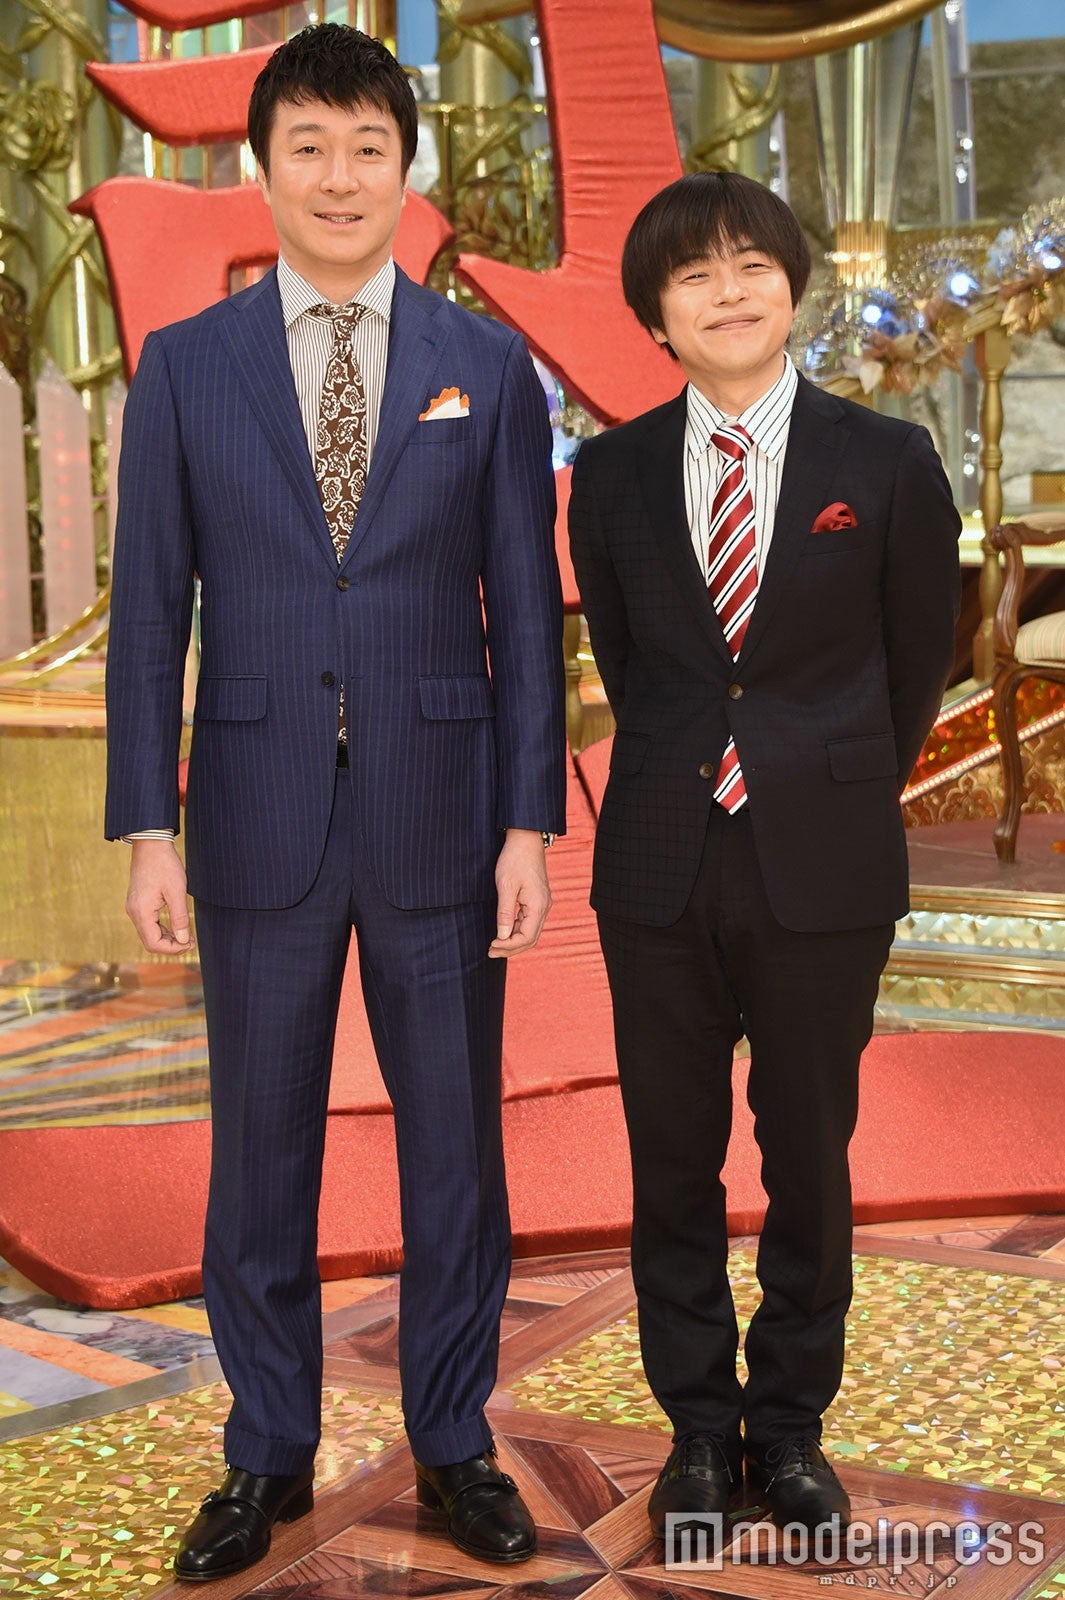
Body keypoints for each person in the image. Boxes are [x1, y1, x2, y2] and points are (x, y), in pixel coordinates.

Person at [105, 23, 566, 1583]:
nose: (339, 175)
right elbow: (151, 615)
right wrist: (147, 825)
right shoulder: (186, 367)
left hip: (443, 816)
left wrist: (527, 824)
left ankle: (453, 1441)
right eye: (308, 145)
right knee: (259, 1156)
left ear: (404, 168)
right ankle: (264, 1451)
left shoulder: (481, 366)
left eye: (369, 146)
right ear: (262, 168)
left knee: (455, 1158)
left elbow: (524, 613)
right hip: (254, 813)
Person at [568, 172, 960, 1543]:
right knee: (668, 1160)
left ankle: (789, 1429)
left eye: (750, 265)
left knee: (809, 1156)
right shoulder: (611, 474)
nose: (726, 291)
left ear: (792, 289)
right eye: (693, 275)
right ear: (655, 317)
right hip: (660, 859)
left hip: (822, 859)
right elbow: (635, 669)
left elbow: (917, 664)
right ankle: (695, 1429)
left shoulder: (886, 460)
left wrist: (820, 775)